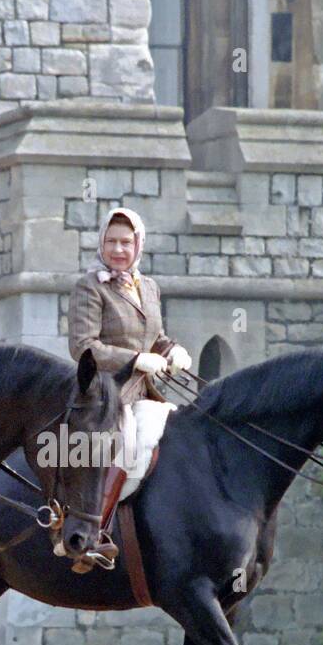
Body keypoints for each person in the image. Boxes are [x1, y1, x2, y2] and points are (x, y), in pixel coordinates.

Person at [67, 207, 191, 559]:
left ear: (138, 244)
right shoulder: (89, 287)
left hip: (146, 391)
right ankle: (92, 536)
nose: (118, 249)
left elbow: (155, 336)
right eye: (111, 242)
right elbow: (83, 346)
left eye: (126, 242)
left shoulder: (148, 287)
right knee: (128, 446)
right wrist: (135, 360)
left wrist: (173, 350)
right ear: (101, 244)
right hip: (105, 394)